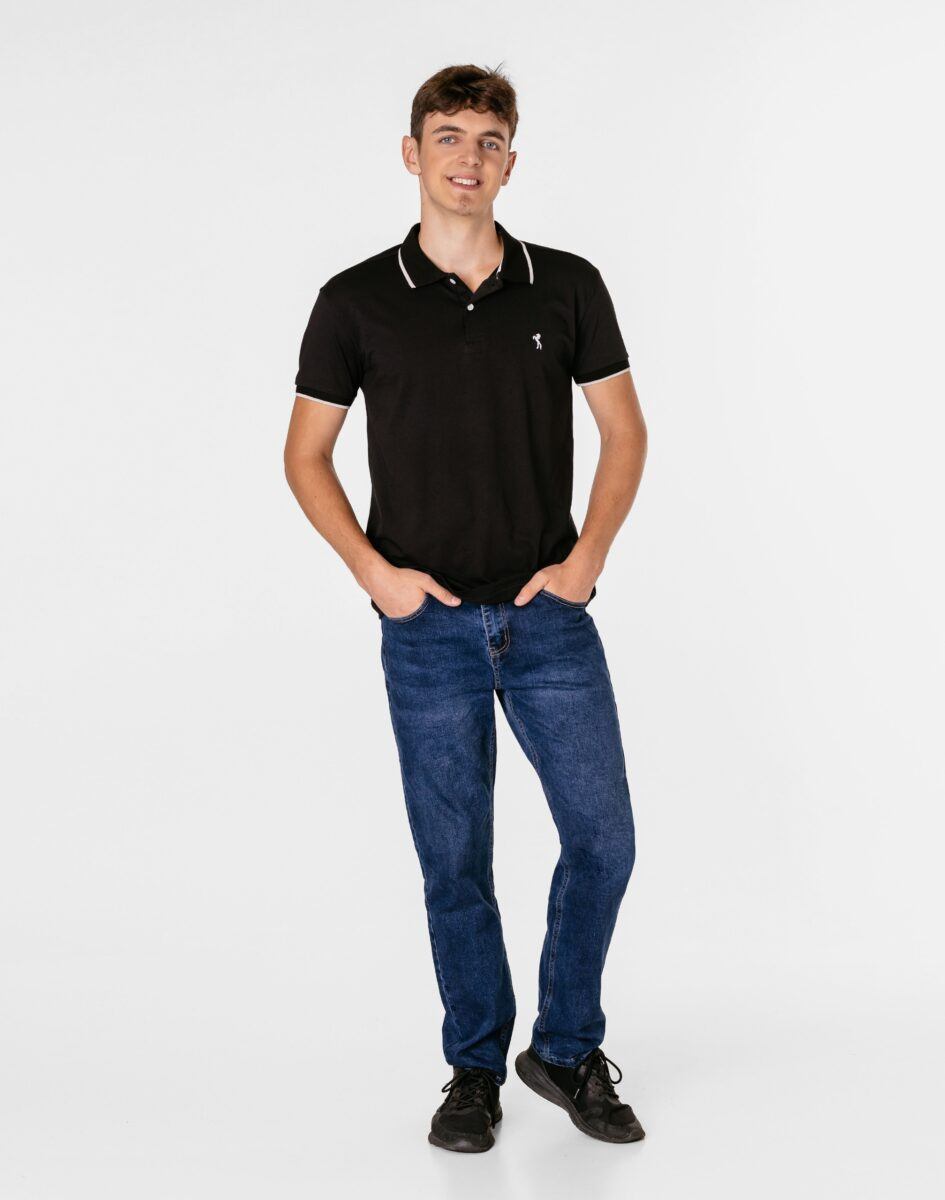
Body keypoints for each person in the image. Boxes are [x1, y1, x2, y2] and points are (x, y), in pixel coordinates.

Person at [283, 63, 648, 1153]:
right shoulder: (354, 300)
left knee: (603, 841)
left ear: (510, 162)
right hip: (426, 630)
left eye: (488, 140)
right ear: (412, 154)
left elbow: (624, 432)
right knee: (455, 864)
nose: (467, 158)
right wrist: (373, 573)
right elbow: (305, 455)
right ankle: (475, 1070)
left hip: (548, 619)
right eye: (448, 137)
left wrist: (585, 559)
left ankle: (566, 1049)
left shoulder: (565, 285)